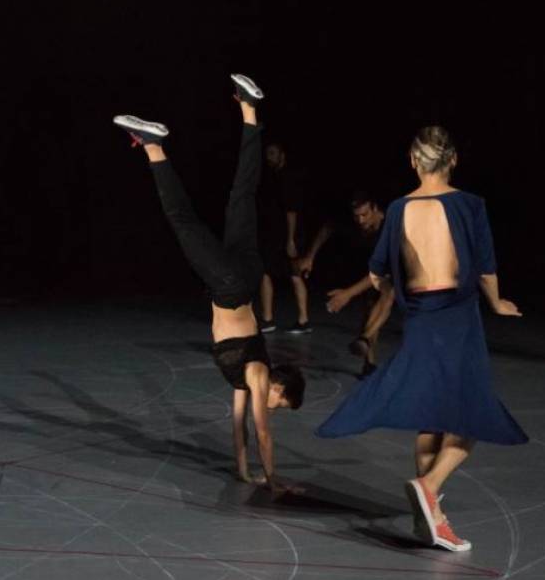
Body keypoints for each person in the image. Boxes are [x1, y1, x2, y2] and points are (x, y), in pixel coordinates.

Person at [315, 126, 527, 552]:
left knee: (432, 416)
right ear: (453, 161)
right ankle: (429, 488)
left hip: (422, 319)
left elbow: (377, 273)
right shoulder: (469, 205)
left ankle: (428, 521)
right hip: (458, 317)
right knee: (472, 415)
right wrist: (498, 302)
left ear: (413, 161)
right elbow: (485, 268)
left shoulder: (396, 209)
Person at [114, 74, 305, 493]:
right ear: (278, 387)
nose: (274, 409)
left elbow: (237, 427)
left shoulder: (247, 379)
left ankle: (250, 109)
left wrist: (243, 471)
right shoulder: (257, 375)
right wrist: (274, 482)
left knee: (242, 194)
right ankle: (152, 144)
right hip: (231, 284)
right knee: (183, 221)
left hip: (245, 277)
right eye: (281, 403)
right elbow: (262, 433)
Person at [296, 191, 396, 377]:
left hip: (401, 268)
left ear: (376, 209)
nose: (360, 220)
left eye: (364, 215)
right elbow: (327, 228)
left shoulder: (390, 227)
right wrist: (310, 256)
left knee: (389, 292)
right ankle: (369, 363)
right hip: (372, 266)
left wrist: (348, 294)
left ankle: (365, 338)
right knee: (369, 308)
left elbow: (379, 274)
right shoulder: (353, 221)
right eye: (357, 216)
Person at [258, 141, 311, 334]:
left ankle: (304, 321)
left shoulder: (288, 177)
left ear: (282, 154)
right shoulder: (273, 177)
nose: (269, 157)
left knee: (295, 274)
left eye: (272, 153)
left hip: (289, 237)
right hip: (274, 236)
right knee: (265, 273)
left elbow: (291, 211)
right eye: (267, 153)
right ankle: (268, 319)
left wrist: (290, 240)